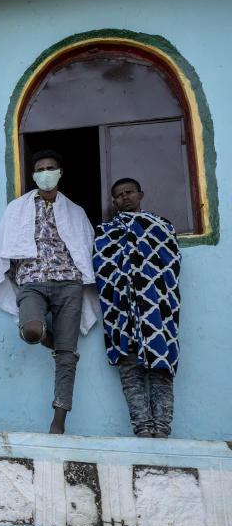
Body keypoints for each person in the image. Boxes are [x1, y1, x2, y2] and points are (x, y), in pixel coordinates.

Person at [0, 150, 100, 434]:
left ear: (60, 172)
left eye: (51, 167)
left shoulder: (75, 211)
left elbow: (85, 245)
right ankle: (47, 336)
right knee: (31, 332)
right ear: (33, 175)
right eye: (40, 169)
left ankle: (58, 423)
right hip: (32, 282)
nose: (45, 173)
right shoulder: (17, 208)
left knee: (67, 356)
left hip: (69, 285)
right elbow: (4, 245)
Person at [93, 178, 180, 438]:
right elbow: (102, 266)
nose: (124, 197)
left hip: (157, 311)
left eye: (129, 192)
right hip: (121, 312)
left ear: (140, 194)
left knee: (160, 368)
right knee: (130, 373)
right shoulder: (106, 231)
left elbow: (171, 262)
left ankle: (162, 430)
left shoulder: (161, 226)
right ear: (113, 201)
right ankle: (142, 429)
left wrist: (147, 284)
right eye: (118, 195)